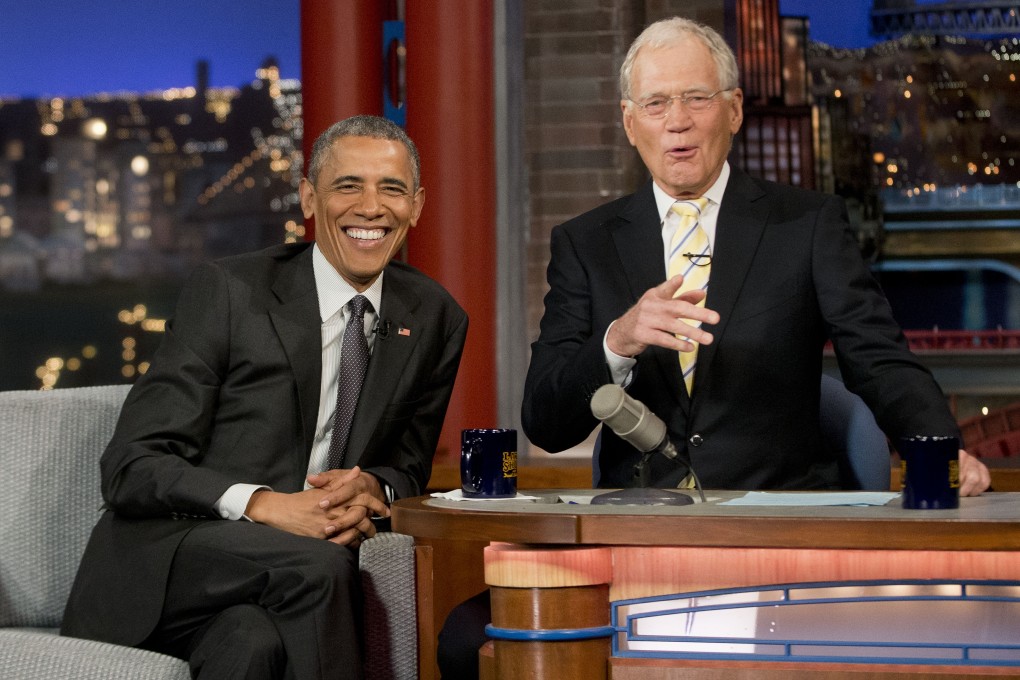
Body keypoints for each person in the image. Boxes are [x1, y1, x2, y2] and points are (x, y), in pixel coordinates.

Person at [437, 16, 990, 679]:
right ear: (629, 121)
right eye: (656, 103)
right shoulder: (585, 243)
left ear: (732, 112)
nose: (677, 121)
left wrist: (942, 451)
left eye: (696, 99)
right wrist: (617, 340)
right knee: (471, 640)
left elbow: (879, 358)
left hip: (774, 540)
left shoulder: (805, 224)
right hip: (631, 545)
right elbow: (549, 425)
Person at [61, 115, 468, 680]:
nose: (371, 207)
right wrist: (264, 505)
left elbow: (408, 470)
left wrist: (372, 486)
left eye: (391, 189)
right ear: (308, 198)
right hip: (176, 557)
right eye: (348, 185)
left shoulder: (435, 318)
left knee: (251, 646)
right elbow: (132, 466)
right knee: (323, 567)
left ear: (416, 206)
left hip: (270, 592)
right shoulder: (229, 292)